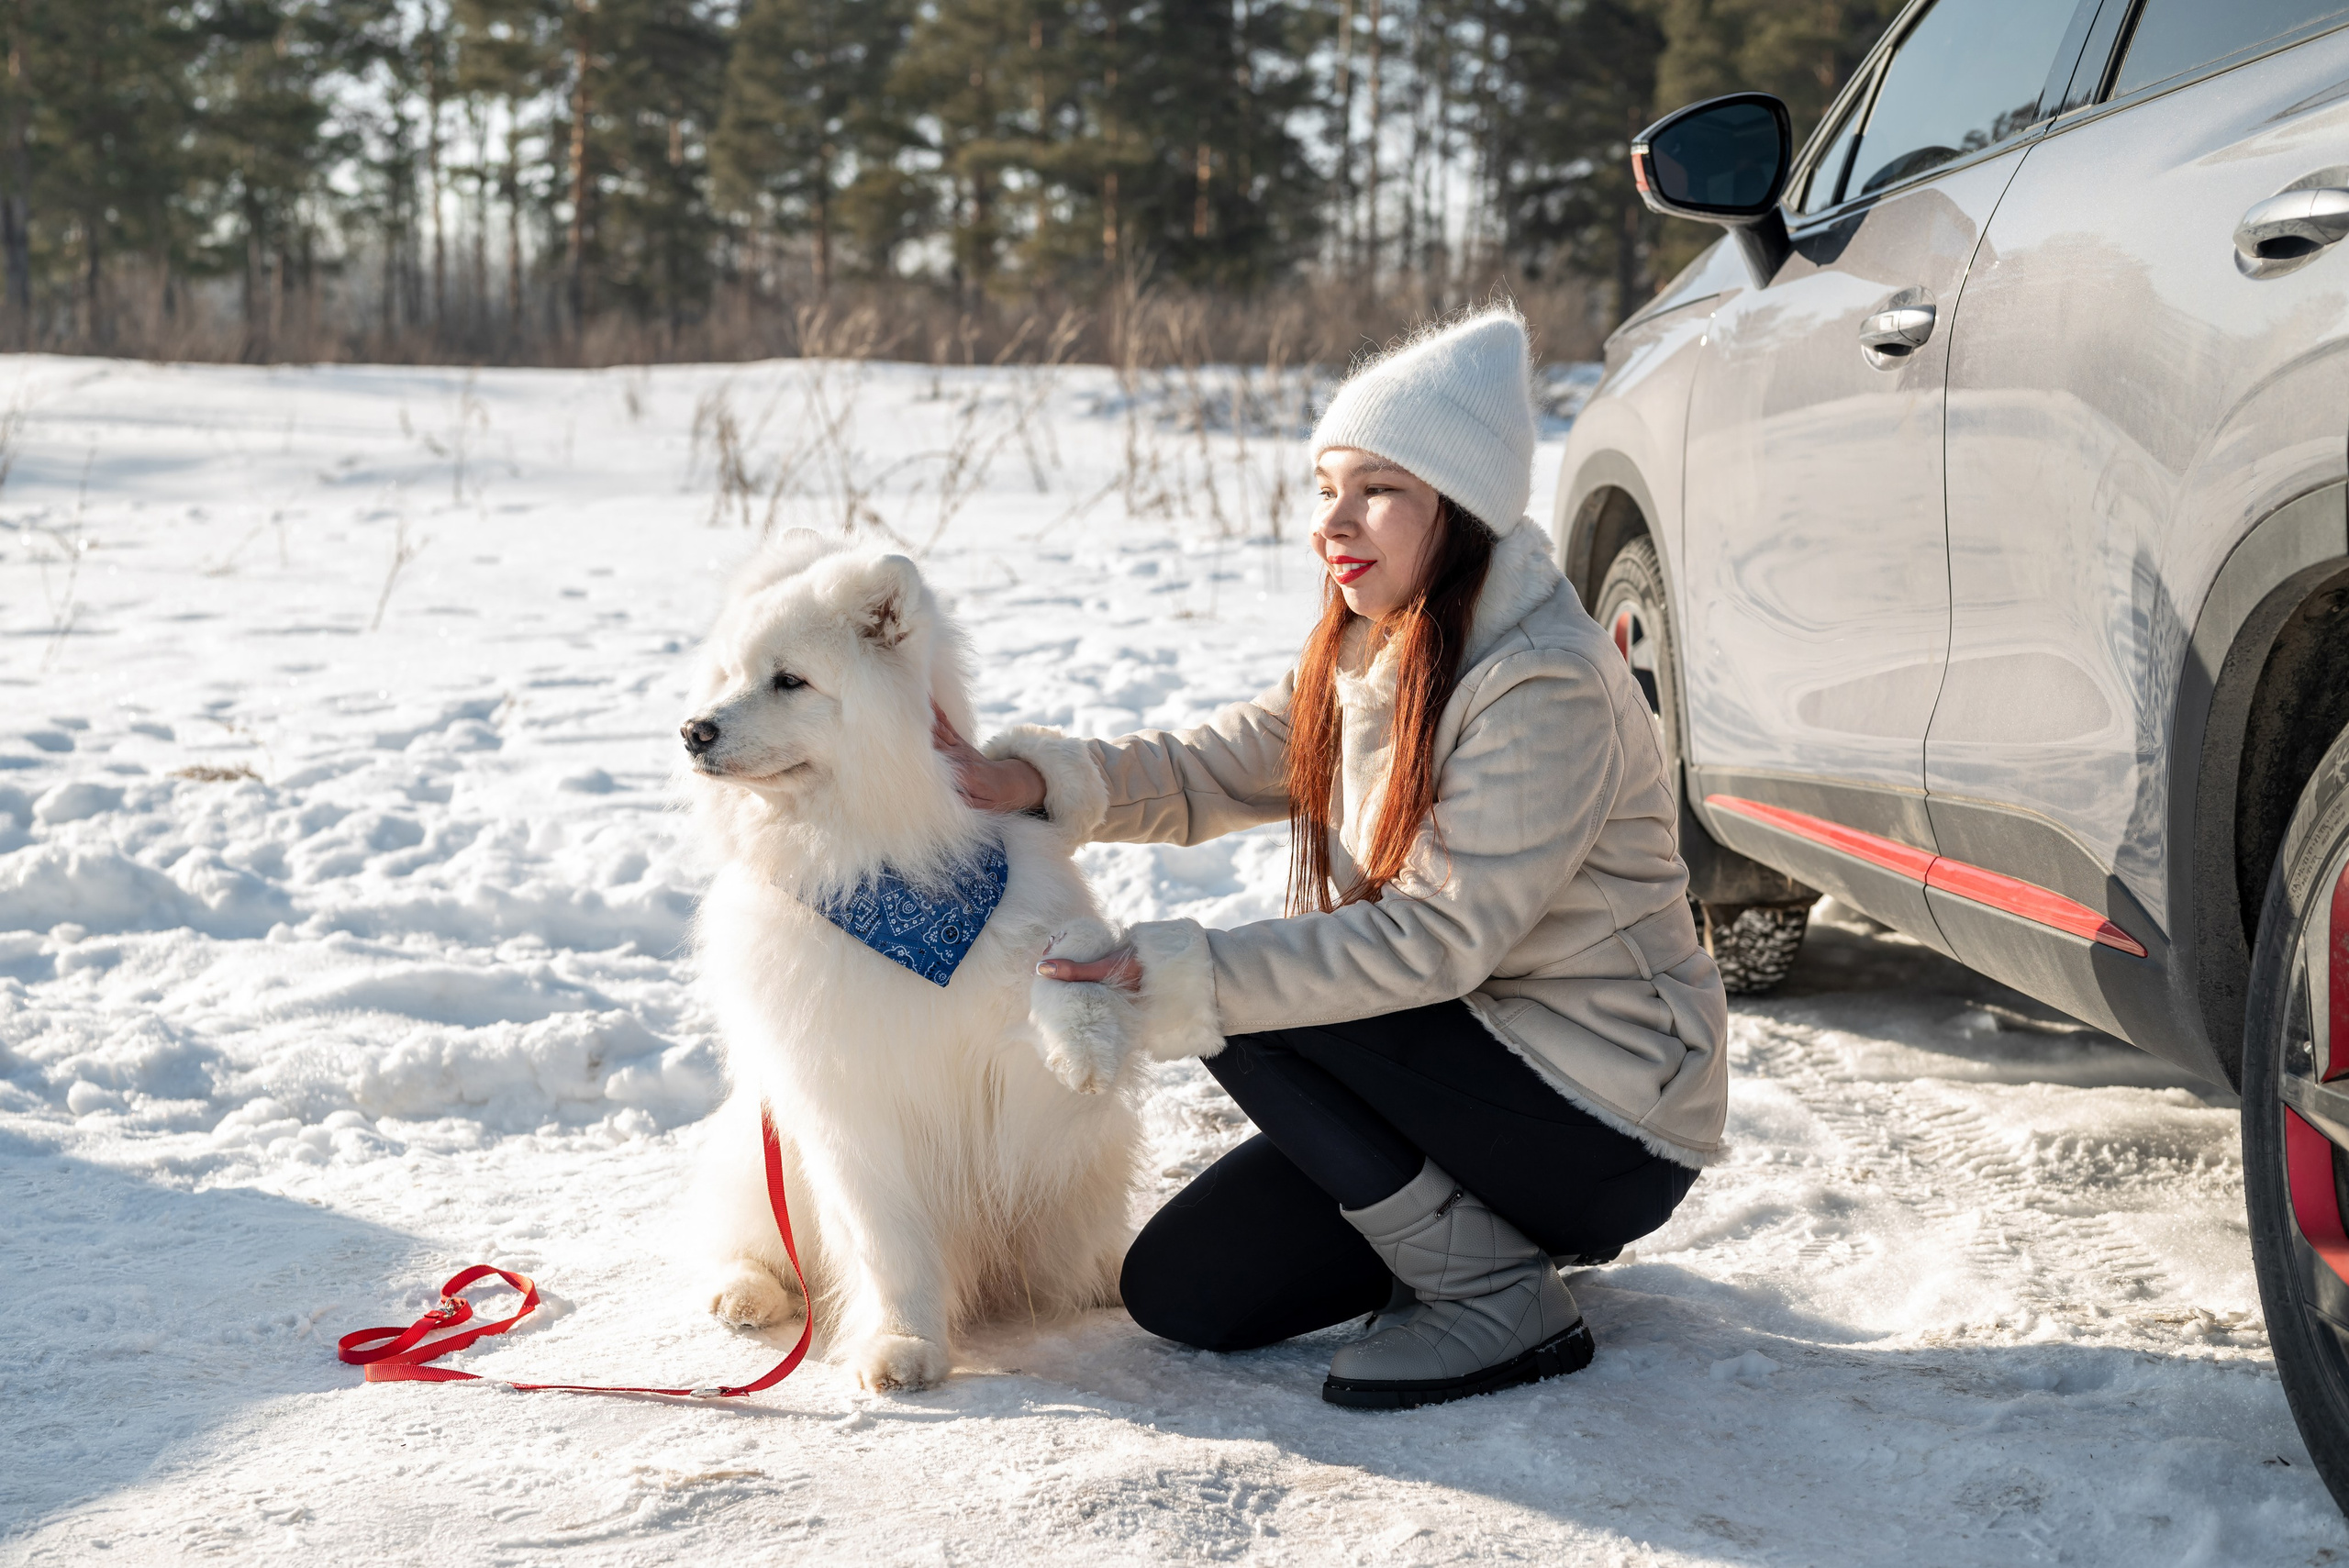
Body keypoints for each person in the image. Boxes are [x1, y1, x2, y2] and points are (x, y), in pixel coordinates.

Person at [936, 307, 1728, 1410]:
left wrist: (1169, 974)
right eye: (1324, 487)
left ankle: (1494, 1292)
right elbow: (1212, 766)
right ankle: (1485, 1233)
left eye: (1377, 489)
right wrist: (1032, 779)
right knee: (1185, 1290)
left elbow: (1435, 939)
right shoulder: (1376, 644)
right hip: (1471, 1074)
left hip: (1603, 1109)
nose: (1331, 522)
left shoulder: (1541, 681)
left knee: (1246, 997)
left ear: (1460, 509)